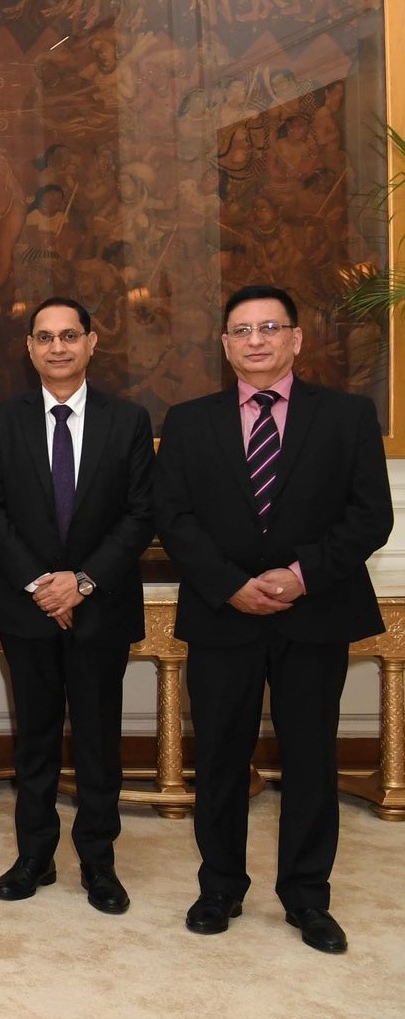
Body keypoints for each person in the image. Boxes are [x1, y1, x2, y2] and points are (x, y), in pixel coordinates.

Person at [155, 284, 391, 954]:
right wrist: (230, 585)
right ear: (226, 346)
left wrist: (300, 575)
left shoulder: (346, 417)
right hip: (222, 615)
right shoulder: (189, 420)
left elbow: (370, 515)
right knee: (223, 759)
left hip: (313, 613)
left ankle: (308, 899)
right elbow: (173, 518)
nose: (255, 339)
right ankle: (220, 886)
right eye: (241, 330)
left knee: (312, 760)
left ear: (296, 338)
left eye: (269, 327)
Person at [0, 296, 153, 914]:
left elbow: (140, 514)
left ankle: (99, 864)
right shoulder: (3, 419)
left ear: (91, 342)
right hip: (29, 609)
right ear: (29, 348)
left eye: (69, 335)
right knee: (36, 740)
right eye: (45, 337)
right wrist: (44, 584)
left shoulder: (128, 421)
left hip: (102, 607)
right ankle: (34, 857)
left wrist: (83, 581)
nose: (57, 347)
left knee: (100, 741)